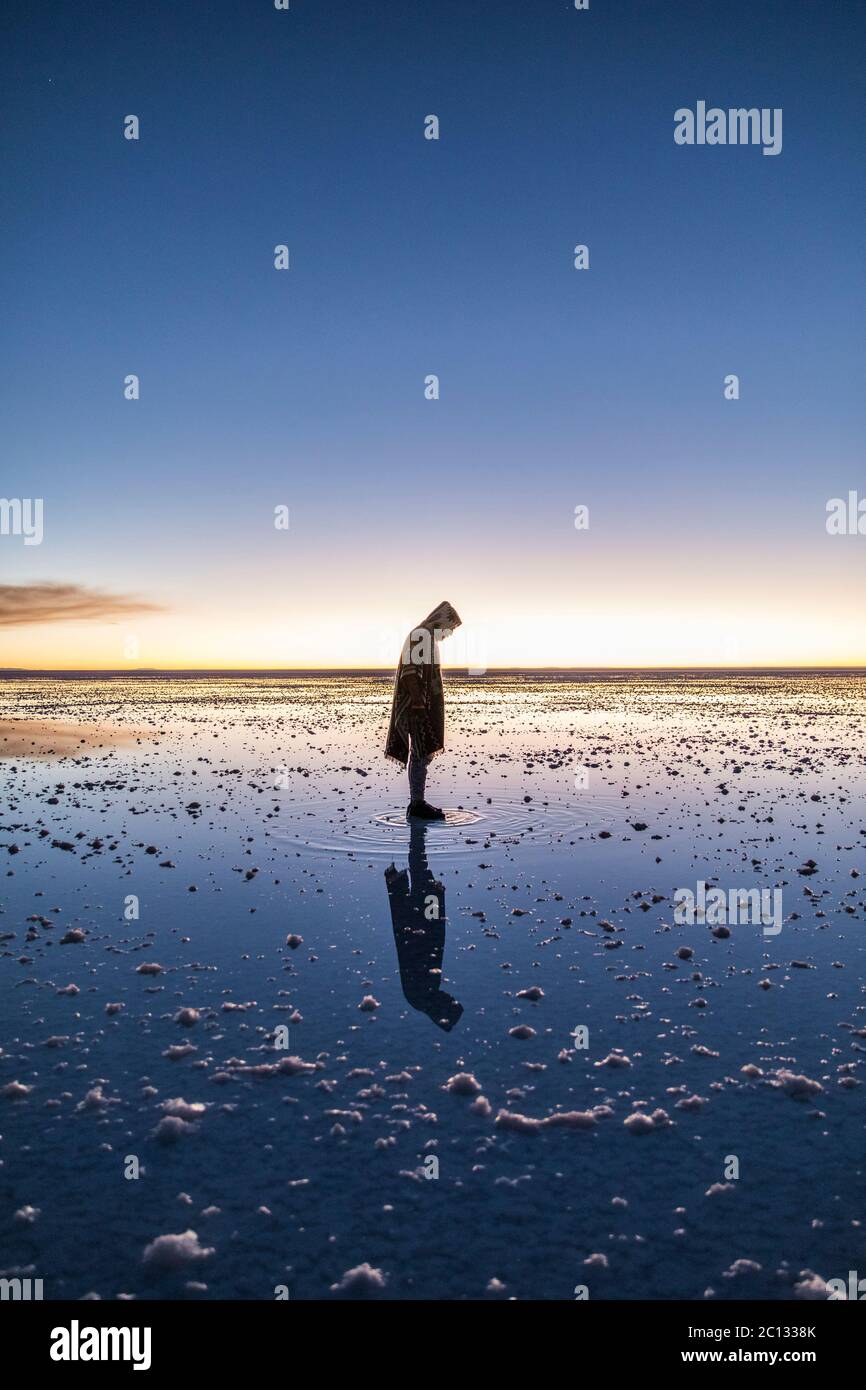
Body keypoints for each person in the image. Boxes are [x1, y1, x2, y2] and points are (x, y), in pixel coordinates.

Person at [385, 600, 461, 820]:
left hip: (420, 705)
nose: (448, 634)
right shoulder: (421, 636)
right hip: (415, 706)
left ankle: (417, 802)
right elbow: (410, 672)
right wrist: (418, 703)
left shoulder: (426, 637)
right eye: (449, 628)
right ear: (441, 621)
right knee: (420, 752)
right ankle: (417, 804)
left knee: (421, 753)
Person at [384, 820, 463, 1030]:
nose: (449, 996)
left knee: (420, 869)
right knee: (420, 869)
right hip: (415, 919)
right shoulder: (421, 997)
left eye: (449, 1001)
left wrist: (435, 902)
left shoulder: (422, 994)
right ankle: (416, 833)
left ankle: (416, 831)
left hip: (417, 919)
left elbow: (427, 944)